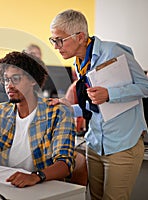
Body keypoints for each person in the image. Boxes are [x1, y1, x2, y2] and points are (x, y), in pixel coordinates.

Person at [49, 9, 148, 199]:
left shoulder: (113, 52)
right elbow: (95, 107)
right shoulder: (79, 62)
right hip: (94, 144)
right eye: (53, 40)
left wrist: (110, 94)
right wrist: (69, 108)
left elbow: (145, 86)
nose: (56, 46)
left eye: (60, 40)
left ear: (80, 37)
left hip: (122, 145)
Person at [0, 51, 76, 188]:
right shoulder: (1, 112)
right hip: (6, 187)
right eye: (6, 79)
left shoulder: (58, 113)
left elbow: (64, 164)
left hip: (43, 187)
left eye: (16, 79)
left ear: (32, 80)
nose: (9, 85)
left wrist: (35, 176)